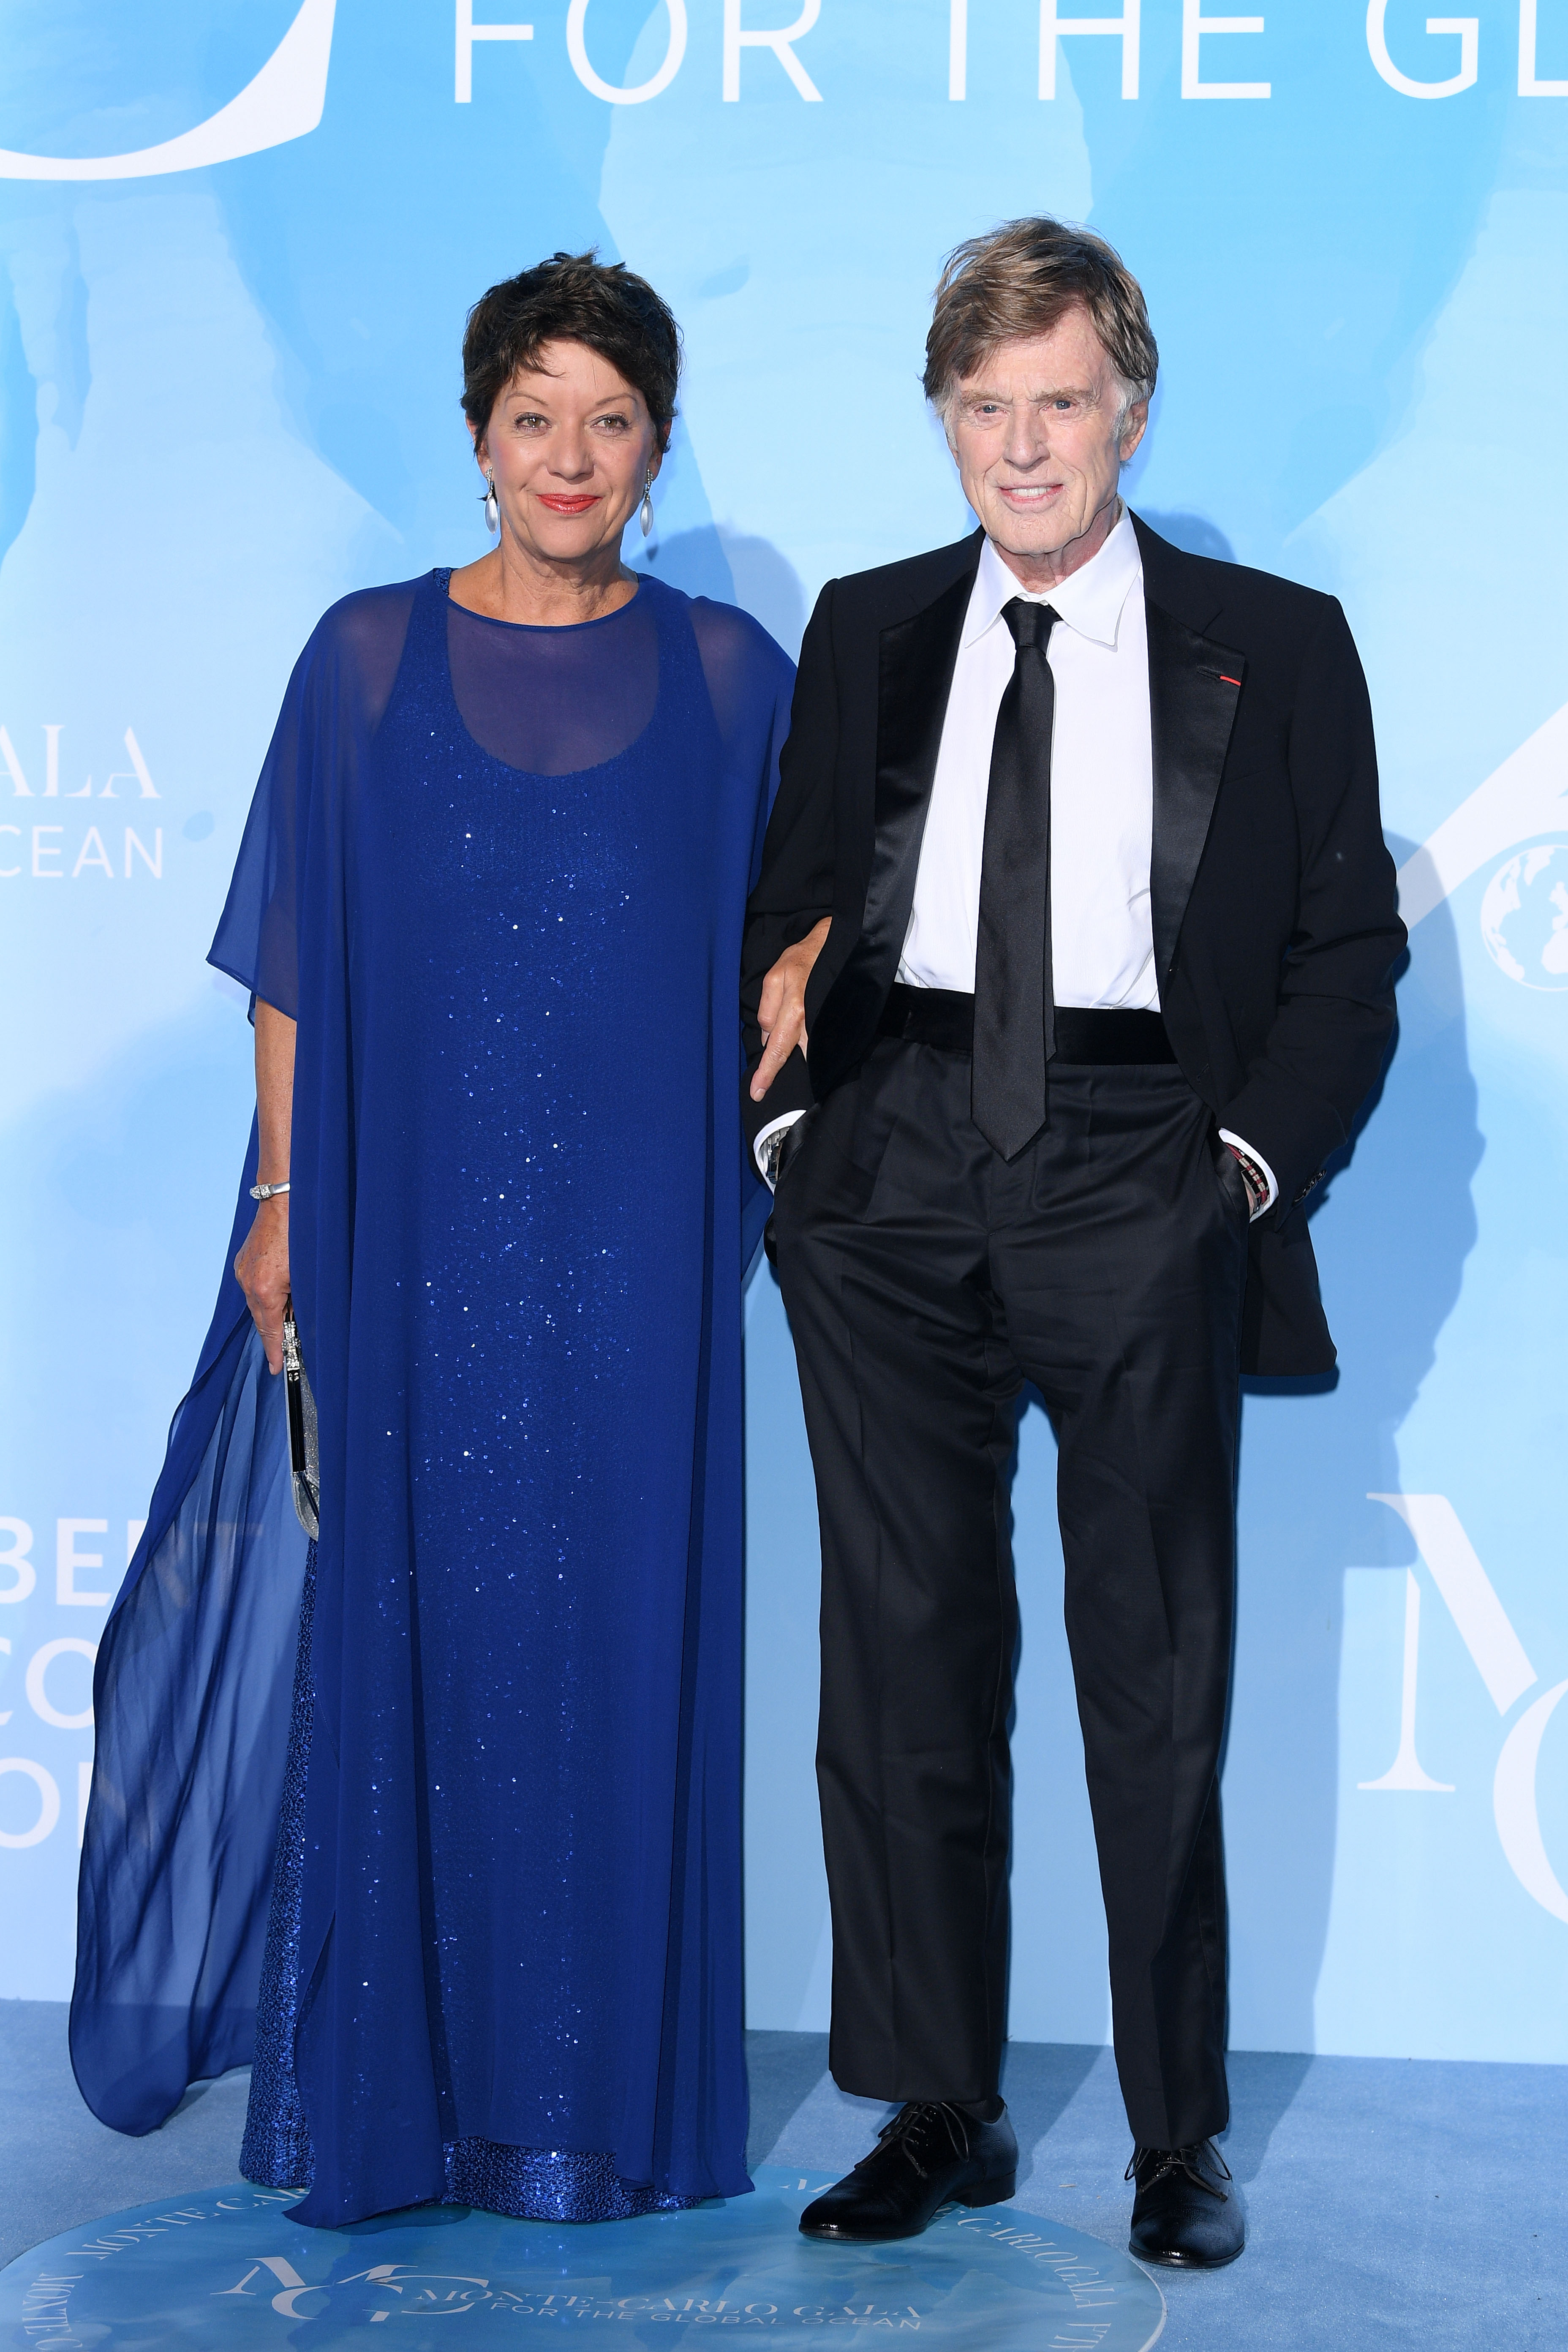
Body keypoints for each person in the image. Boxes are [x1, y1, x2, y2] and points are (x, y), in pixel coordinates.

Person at [72, 253, 794, 2230]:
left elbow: (813, 906)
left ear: (656, 448)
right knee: (419, 1638)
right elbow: (292, 965)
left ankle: (591, 2115)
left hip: (646, 1255)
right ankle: (399, 2108)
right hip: (405, 1245)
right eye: (533, 413)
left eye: (611, 418)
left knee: (618, 1649)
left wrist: (809, 953)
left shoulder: (734, 675)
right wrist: (285, 1207)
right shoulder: (364, 658)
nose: (569, 455)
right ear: (478, 438)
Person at [741, 218, 1404, 2268]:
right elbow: (785, 908)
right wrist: (786, 1125)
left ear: (1127, 408)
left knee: (1155, 1666)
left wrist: (1233, 1168)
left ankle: (1174, 2136)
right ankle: (938, 2107)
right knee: (905, 1662)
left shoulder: (1271, 643)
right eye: (981, 408)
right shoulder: (864, 628)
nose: (1021, 446)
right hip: (894, 1162)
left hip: (1139, 1154)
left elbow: (1343, 951)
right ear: (944, 423)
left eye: (1056, 402)